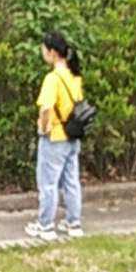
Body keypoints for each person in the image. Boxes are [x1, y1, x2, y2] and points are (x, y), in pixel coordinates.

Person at [31, 34, 87, 241]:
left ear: (52, 53)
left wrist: (43, 127)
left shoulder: (52, 79)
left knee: (48, 183)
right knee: (71, 181)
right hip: (73, 135)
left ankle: (45, 225)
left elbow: (46, 107)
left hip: (54, 136)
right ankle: (74, 222)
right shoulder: (75, 76)